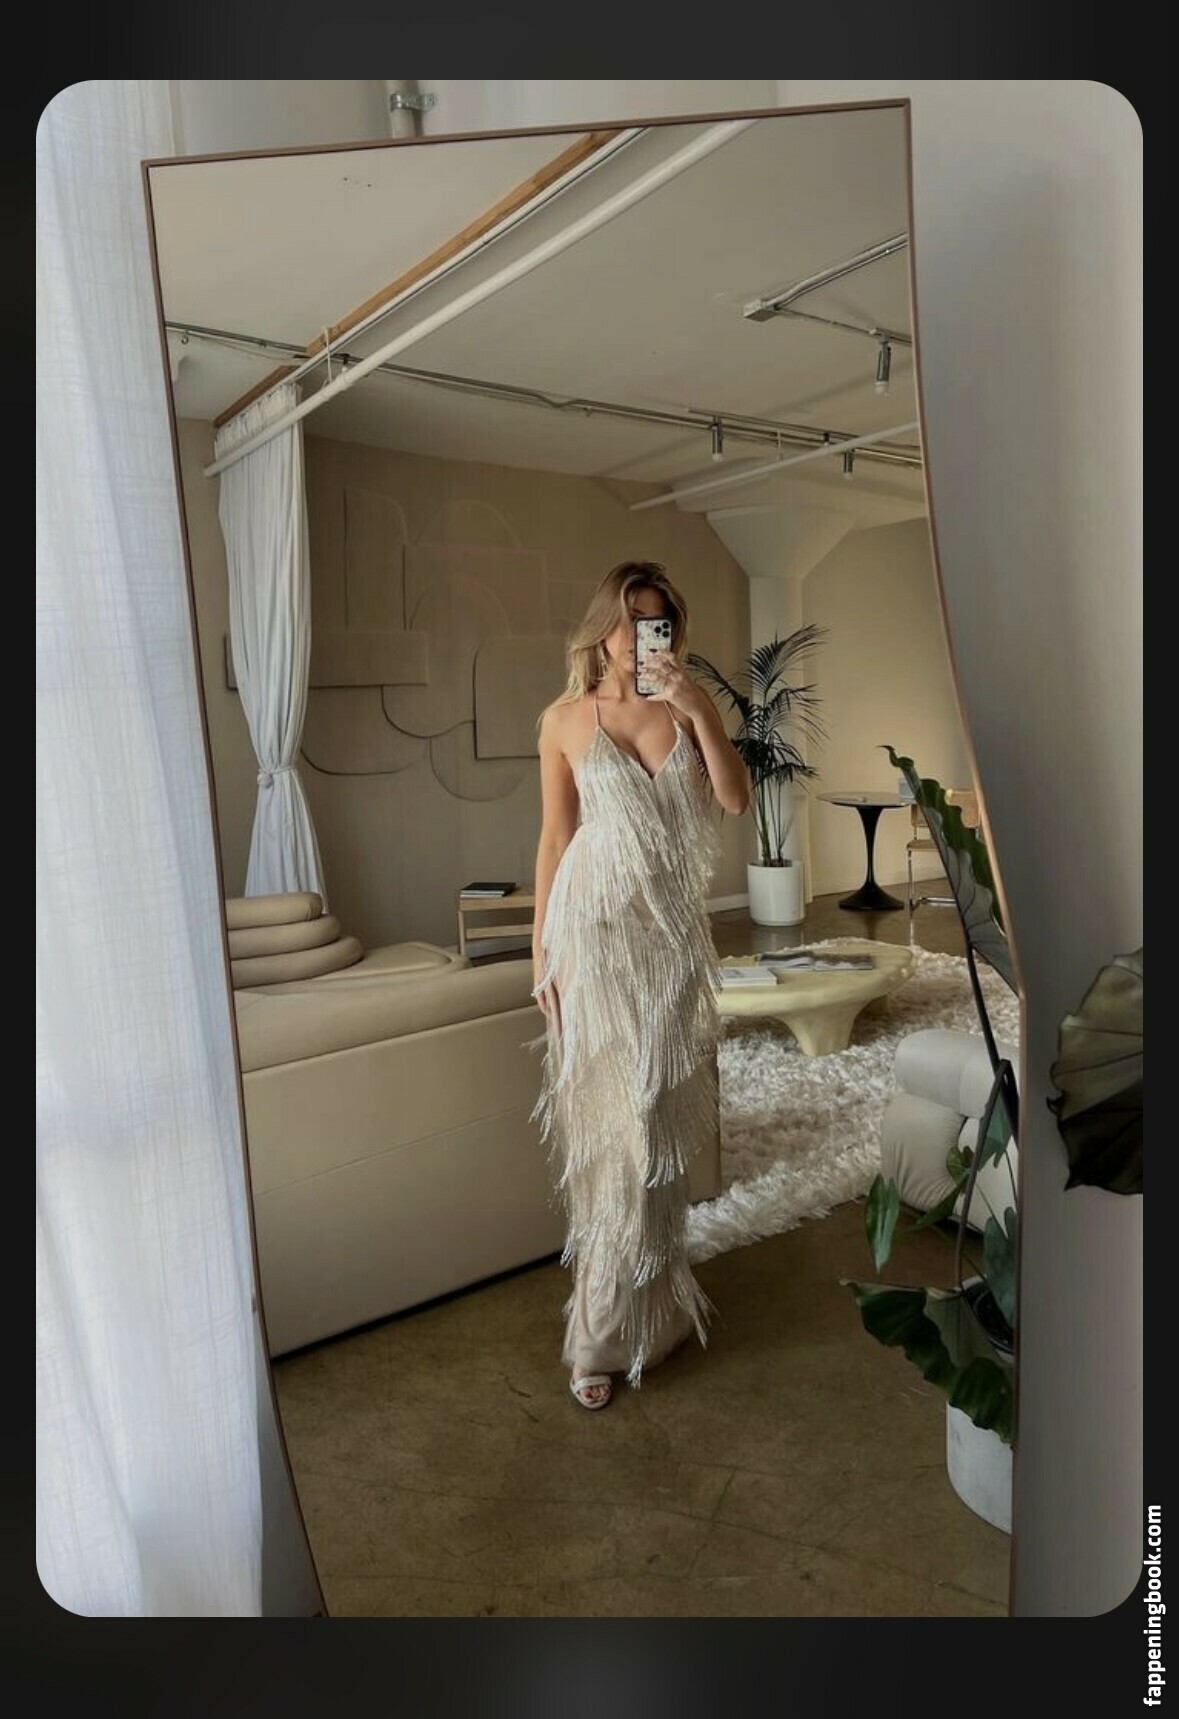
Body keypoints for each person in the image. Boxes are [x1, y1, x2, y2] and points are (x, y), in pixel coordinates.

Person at [530, 560, 750, 1410]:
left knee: (654, 1124)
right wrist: (539, 953)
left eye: (656, 621)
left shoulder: (685, 708)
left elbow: (732, 800)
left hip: (666, 947)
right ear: (603, 628)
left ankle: (654, 1309)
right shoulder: (562, 720)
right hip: (589, 936)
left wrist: (700, 712)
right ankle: (595, 1334)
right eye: (629, 620)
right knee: (609, 1130)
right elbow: (555, 839)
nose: (640, 637)